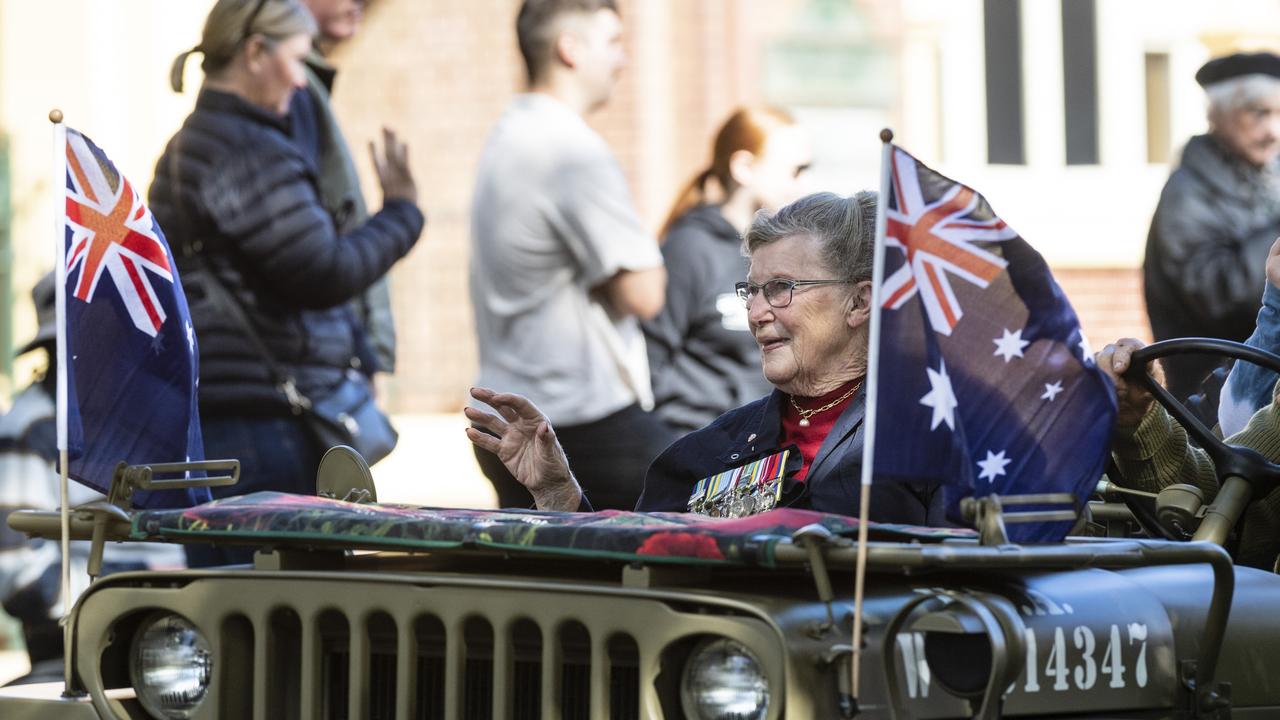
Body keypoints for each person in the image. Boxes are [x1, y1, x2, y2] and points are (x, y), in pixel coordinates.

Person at [467, 191, 947, 524]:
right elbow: (635, 578)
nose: (756, 313)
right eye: (752, 291)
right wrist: (557, 492)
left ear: (860, 302)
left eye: (781, 289)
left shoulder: (934, 439)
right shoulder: (705, 453)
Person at [152, 0, 423, 561]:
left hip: (241, 419)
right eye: (298, 61)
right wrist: (402, 213)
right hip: (262, 428)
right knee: (281, 621)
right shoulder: (242, 148)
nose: (303, 83)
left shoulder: (206, 140)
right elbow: (323, 271)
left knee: (245, 616)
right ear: (256, 53)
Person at [468, 0, 671, 510]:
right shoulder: (570, 150)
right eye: (613, 43)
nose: (622, 60)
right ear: (570, 49)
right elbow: (645, 292)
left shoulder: (506, 136)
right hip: (581, 425)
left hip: (511, 418)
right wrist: (603, 272)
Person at [0, 275, 184, 684]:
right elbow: (20, 573)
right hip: (76, 642)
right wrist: (128, 599)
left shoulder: (150, 420)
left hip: (172, 636)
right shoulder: (30, 425)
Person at [643, 107, 813, 435]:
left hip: (763, 442)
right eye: (796, 171)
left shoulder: (789, 252)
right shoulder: (690, 248)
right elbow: (647, 362)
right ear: (744, 167)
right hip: (701, 444)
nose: (806, 184)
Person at [1143, 51, 1280, 402]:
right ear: (1217, 115)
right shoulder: (1186, 192)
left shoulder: (1268, 173)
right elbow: (1219, 299)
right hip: (1213, 406)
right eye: (1259, 113)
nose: (1274, 132)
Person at [290, 0, 398, 376]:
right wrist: (402, 213)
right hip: (315, 368)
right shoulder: (290, 88)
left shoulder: (303, 85)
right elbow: (312, 257)